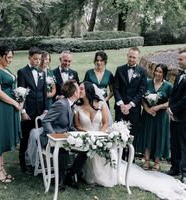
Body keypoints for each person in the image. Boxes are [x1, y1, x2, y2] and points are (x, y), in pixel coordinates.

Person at [75, 82, 186, 200]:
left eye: (81, 89)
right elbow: (77, 125)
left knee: (108, 177)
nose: (79, 91)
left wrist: (99, 136)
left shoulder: (100, 104)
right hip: (88, 141)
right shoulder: (77, 107)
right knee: (91, 176)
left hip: (101, 138)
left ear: (88, 90)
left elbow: (106, 123)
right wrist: (88, 136)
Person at [40, 80, 87, 191]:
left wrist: (80, 134)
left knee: (85, 150)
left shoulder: (70, 104)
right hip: (51, 139)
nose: (80, 91)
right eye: (78, 89)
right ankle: (60, 180)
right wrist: (54, 136)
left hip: (66, 138)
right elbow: (46, 121)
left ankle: (71, 175)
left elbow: (69, 126)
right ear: (74, 92)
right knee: (63, 152)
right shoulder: (61, 104)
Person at [0, 45, 22, 183]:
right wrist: (14, 102)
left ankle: (1, 168)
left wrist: (19, 98)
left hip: (7, 107)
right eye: (8, 57)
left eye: (12, 57)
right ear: (0, 56)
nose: (10, 60)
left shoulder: (4, 69)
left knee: (2, 136)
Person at [17, 47, 48, 173]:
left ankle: (36, 160)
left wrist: (46, 109)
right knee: (25, 137)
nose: (37, 61)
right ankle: (23, 163)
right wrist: (23, 111)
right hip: (28, 111)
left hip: (40, 111)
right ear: (29, 58)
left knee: (39, 137)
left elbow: (44, 93)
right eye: (35, 59)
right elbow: (21, 93)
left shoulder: (42, 72)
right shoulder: (22, 72)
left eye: (39, 59)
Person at [137, 64, 172, 171]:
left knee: (159, 136)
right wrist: (147, 109)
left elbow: (171, 102)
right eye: (156, 71)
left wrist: (159, 107)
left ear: (164, 74)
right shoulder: (147, 83)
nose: (157, 73)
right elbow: (141, 97)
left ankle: (157, 161)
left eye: (160, 72)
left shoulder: (168, 86)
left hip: (161, 116)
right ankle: (146, 160)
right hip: (148, 115)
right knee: (148, 135)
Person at [113, 47, 147, 150]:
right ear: (127, 56)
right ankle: (119, 156)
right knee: (119, 133)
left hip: (134, 109)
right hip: (120, 108)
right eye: (130, 56)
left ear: (138, 58)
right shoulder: (120, 69)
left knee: (133, 134)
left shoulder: (142, 71)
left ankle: (130, 158)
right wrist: (122, 104)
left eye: (134, 57)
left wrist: (130, 105)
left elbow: (141, 90)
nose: (132, 59)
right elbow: (116, 88)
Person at [168, 49, 186, 184]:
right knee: (174, 142)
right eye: (178, 59)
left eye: (181, 59)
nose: (178, 61)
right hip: (174, 115)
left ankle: (184, 172)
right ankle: (175, 167)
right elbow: (174, 95)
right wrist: (170, 109)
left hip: (184, 117)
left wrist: (173, 109)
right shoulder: (180, 75)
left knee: (183, 144)